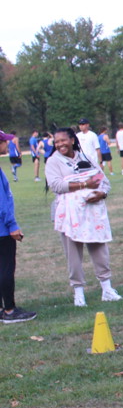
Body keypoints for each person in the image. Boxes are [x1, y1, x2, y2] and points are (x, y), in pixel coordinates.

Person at [45, 128, 122, 306]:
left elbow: (103, 180)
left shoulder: (85, 157)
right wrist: (85, 184)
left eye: (63, 140)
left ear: (72, 140)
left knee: (99, 248)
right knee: (73, 253)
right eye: (57, 142)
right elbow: (56, 185)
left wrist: (102, 193)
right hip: (69, 214)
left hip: (91, 212)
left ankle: (107, 289)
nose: (60, 144)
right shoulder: (53, 161)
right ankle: (78, 293)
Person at [0, 130, 36, 323]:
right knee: (5, 268)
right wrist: (12, 225)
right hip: (2, 229)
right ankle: (9, 310)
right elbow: (2, 202)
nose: (7, 144)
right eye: (4, 142)